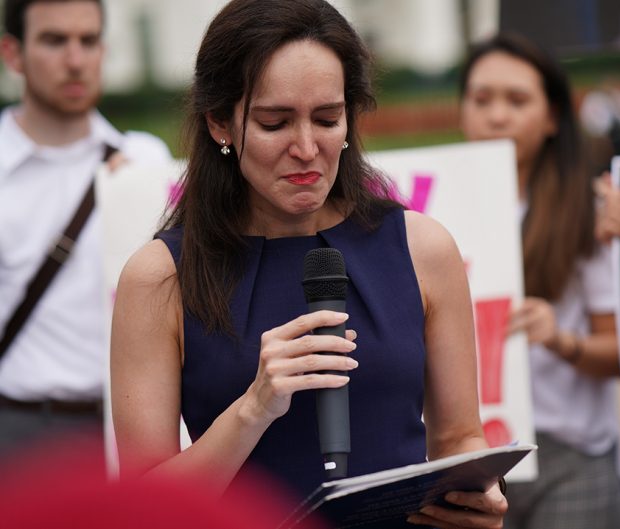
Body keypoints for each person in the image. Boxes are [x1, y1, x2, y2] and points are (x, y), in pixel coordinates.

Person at [110, 0, 507, 527]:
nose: (306, 148)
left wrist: (479, 500)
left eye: (327, 119)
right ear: (219, 123)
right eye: (275, 123)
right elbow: (141, 509)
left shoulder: (422, 248)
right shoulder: (160, 278)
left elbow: (459, 437)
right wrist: (254, 407)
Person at [459, 33, 620, 529]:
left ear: (553, 116)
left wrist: (561, 339)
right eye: (482, 99)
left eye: (517, 100)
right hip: (471, 458)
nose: (497, 116)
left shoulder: (592, 212)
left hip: (572, 458)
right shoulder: (425, 209)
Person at [0, 0, 172, 458]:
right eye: (54, 41)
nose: (75, 60)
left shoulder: (145, 159)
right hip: (24, 429)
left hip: (137, 424)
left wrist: (134, 193)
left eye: (88, 40)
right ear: (12, 54)